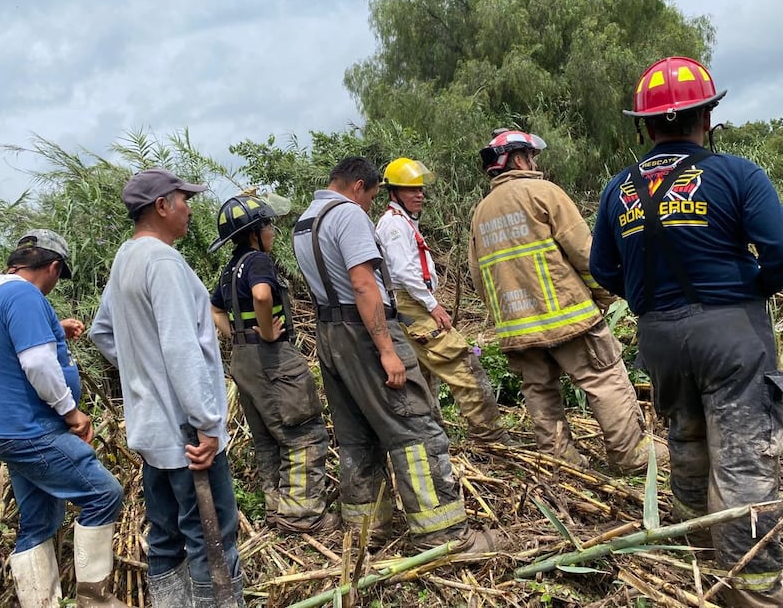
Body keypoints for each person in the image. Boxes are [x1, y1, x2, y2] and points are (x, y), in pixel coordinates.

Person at [590, 56, 783, 607]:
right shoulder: (737, 174)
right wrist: (752, 286)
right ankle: (754, 592)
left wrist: (651, 300)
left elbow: (604, 269)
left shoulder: (619, 190)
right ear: (706, 116)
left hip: (659, 338)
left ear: (646, 126)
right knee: (743, 466)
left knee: (686, 444)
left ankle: (695, 562)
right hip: (731, 332)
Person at [292, 156, 498, 552]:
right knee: (414, 426)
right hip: (365, 332)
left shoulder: (305, 222)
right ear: (358, 186)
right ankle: (443, 534)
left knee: (356, 436)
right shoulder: (348, 215)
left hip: (330, 336)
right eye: (369, 196)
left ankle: (365, 530)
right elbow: (364, 284)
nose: (369, 204)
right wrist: (387, 350)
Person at [90, 168, 244, 607]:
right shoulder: (163, 262)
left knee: (165, 537)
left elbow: (103, 331)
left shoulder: (127, 257)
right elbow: (181, 350)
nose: (190, 207)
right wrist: (208, 423)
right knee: (211, 539)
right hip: (188, 436)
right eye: (183, 199)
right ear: (162, 206)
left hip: (152, 432)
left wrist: (142, 373)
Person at [468, 130, 663, 473]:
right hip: (569, 316)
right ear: (517, 159)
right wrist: (602, 297)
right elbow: (587, 254)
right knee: (604, 378)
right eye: (531, 155)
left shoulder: (480, 213)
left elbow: (479, 277)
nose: (535, 162)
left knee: (539, 391)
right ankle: (630, 455)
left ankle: (562, 463)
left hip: (517, 327)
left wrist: (506, 319)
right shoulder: (544, 193)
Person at [0, 230, 126, 607]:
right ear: (53, 267)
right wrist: (72, 413)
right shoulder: (24, 295)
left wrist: (58, 329)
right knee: (104, 494)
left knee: (38, 524)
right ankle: (95, 600)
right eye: (59, 276)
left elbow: (19, 349)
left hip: (8, 431)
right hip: (34, 430)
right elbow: (37, 362)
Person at [208, 193, 338, 534]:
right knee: (302, 434)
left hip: (243, 361)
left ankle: (277, 509)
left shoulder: (229, 269)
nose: (273, 232)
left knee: (268, 439)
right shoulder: (257, 261)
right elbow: (263, 295)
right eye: (268, 225)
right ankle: (304, 516)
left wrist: (237, 335)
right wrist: (266, 333)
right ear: (254, 233)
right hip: (272, 360)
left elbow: (214, 310)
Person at [376, 157, 512, 444]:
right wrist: (432, 305)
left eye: (420, 189)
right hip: (412, 305)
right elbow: (404, 272)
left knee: (422, 375)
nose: (419, 195)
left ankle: (432, 436)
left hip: (407, 307)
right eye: (411, 190)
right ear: (393, 193)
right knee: (462, 361)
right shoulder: (394, 226)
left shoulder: (399, 222)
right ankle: (490, 435)